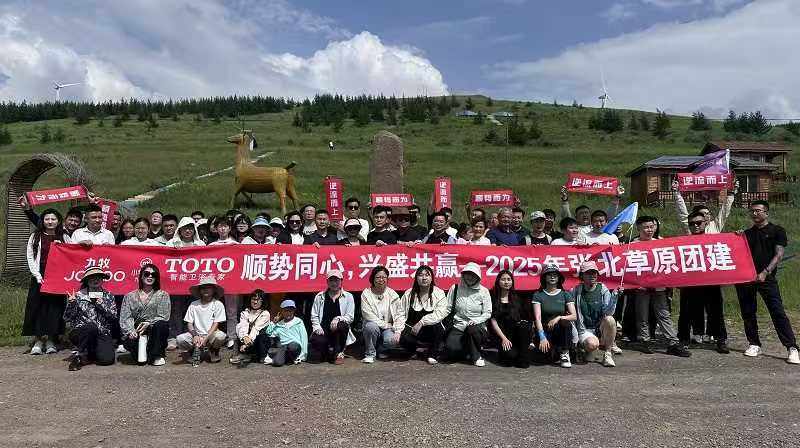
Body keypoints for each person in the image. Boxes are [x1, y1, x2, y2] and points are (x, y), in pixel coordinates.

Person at [735, 200, 799, 364]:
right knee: (748, 312)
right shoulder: (747, 234)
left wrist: (765, 272)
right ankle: (754, 344)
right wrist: (736, 237)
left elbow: (779, 254)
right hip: (746, 279)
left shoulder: (777, 231)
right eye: (752, 211)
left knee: (777, 312)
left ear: (766, 212)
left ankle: (792, 347)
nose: (754, 213)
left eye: (758, 210)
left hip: (767, 278)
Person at [630, 216, 690, 357]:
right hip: (641, 287)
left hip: (659, 287)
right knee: (642, 315)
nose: (649, 230)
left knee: (664, 315)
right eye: (646, 227)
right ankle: (645, 341)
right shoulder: (632, 244)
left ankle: (673, 343)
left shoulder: (661, 242)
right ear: (639, 228)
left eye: (651, 227)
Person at [677, 212, 729, 354]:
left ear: (706, 223)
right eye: (692, 223)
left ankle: (720, 340)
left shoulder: (714, 240)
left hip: (710, 282)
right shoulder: (682, 241)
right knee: (686, 312)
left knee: (716, 312)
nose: (695, 226)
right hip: (690, 283)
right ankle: (683, 340)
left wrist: (738, 235)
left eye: (698, 223)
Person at [24, 208, 70, 355]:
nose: (50, 222)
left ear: (58, 221)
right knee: (37, 307)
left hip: (57, 277)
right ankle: (38, 340)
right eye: (47, 219)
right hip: (40, 275)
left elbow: (71, 254)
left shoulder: (64, 236)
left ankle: (51, 340)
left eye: (53, 219)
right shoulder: (35, 236)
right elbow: (30, 256)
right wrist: (37, 275)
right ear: (42, 221)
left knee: (55, 308)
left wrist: (61, 246)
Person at [63, 266, 118, 371]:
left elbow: (114, 318)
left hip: (102, 332)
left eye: (98, 277)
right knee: (91, 327)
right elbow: (67, 318)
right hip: (81, 332)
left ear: (102, 280)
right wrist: (72, 304)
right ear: (87, 280)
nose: (95, 280)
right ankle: (78, 355)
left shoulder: (109, 295)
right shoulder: (78, 295)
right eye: (92, 277)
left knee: (107, 360)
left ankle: (90, 353)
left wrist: (101, 306)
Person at [571, 261, 622, 367]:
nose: (592, 275)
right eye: (588, 273)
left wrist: (614, 297)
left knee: (610, 319)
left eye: (594, 273)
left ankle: (607, 354)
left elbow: (609, 312)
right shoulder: (575, 291)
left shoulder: (603, 289)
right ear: (582, 275)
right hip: (584, 330)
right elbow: (571, 315)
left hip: (599, 329)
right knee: (591, 346)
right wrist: (575, 339)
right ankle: (584, 348)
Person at [119, 264, 170, 366]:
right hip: (136, 331)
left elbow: (164, 316)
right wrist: (131, 331)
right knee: (140, 361)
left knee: (162, 325)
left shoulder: (163, 295)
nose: (150, 276)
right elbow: (125, 317)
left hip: (154, 330)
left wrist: (149, 323)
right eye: (147, 274)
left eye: (153, 275)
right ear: (141, 276)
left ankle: (157, 355)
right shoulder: (129, 296)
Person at [399, 266, 449, 364]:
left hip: (431, 329)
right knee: (402, 337)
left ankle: (432, 354)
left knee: (438, 327)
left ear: (432, 278)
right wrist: (398, 331)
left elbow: (439, 314)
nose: (424, 278)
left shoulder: (439, 293)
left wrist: (422, 322)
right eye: (421, 275)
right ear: (416, 278)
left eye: (427, 275)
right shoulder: (408, 294)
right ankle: (415, 351)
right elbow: (400, 313)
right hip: (413, 330)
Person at [444, 263, 492, 367]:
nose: (470, 277)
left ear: (478, 276)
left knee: (472, 329)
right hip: (459, 325)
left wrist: (476, 320)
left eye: (473, 274)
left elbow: (487, 313)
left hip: (477, 328)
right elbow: (447, 308)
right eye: (468, 274)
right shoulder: (455, 288)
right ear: (463, 274)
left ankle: (476, 356)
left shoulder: (484, 291)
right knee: (451, 350)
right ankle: (467, 350)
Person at [532, 264, 576, 368]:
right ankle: (553, 350)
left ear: (559, 278)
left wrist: (559, 317)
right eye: (549, 275)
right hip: (545, 329)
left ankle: (564, 353)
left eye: (555, 275)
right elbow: (537, 318)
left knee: (565, 321)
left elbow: (574, 316)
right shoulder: (538, 295)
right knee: (544, 360)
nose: (552, 277)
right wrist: (542, 337)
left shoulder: (565, 294)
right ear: (544, 277)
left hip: (560, 329)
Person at [177, 278, 227, 366]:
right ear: (200, 290)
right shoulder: (194, 304)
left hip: (211, 334)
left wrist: (206, 338)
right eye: (203, 288)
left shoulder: (218, 304)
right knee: (180, 339)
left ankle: (213, 351)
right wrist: (195, 335)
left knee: (221, 336)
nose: (206, 290)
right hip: (197, 334)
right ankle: (193, 350)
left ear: (214, 290)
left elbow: (216, 324)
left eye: (209, 287)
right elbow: (189, 323)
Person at [309, 270, 355, 365]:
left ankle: (339, 352)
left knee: (342, 325)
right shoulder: (319, 296)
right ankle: (326, 352)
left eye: (336, 280)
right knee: (316, 340)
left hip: (338, 329)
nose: (334, 283)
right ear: (327, 282)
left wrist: (338, 318)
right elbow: (314, 315)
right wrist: (317, 327)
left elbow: (350, 317)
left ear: (341, 281)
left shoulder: (348, 296)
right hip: (323, 329)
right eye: (331, 280)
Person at [489, 270, 533, 368]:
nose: (506, 282)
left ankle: (523, 357)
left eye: (509, 279)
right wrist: (504, 338)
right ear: (498, 281)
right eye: (503, 279)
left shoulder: (517, 299)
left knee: (524, 326)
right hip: (501, 335)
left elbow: (523, 319)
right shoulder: (493, 299)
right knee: (509, 359)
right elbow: (493, 321)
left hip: (515, 334)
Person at [361, 266, 404, 363]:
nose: (381, 280)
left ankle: (381, 349)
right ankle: (370, 354)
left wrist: (398, 331)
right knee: (371, 327)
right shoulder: (366, 293)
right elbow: (368, 315)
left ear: (387, 279)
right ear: (372, 278)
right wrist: (385, 325)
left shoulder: (392, 294)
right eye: (378, 277)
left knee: (392, 340)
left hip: (388, 327)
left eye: (384, 277)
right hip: (373, 325)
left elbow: (400, 314)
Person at [672, 179, 737, 235]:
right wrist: (676, 193)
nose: (707, 216)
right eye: (704, 214)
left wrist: (731, 193)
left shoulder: (714, 225)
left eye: (708, 213)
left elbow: (725, 211)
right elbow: (682, 212)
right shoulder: (691, 226)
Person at [230, 290, 271, 365]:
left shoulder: (265, 313)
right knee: (238, 328)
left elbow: (256, 328)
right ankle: (243, 354)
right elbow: (243, 325)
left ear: (263, 301)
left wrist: (248, 341)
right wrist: (244, 337)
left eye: (258, 300)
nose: (255, 302)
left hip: (258, 341)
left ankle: (262, 356)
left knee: (262, 334)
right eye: (253, 299)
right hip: (247, 340)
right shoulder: (245, 312)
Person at [264, 299, 308, 366]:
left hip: (295, 347)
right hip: (283, 348)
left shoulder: (298, 322)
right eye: (285, 311)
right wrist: (274, 323)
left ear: (294, 311)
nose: (288, 313)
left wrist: (303, 355)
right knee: (277, 363)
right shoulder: (279, 324)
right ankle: (287, 359)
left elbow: (304, 338)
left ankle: (292, 358)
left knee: (292, 346)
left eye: (290, 311)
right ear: (282, 312)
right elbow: (269, 333)